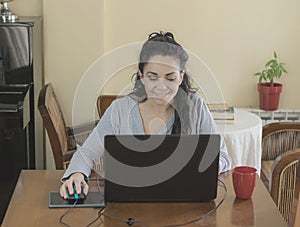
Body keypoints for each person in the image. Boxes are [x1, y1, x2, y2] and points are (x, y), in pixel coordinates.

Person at [60, 31, 231, 198]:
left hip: (183, 202)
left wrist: (195, 166)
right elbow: (87, 153)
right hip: (130, 205)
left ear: (181, 77)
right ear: (141, 75)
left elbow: (223, 157)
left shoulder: (196, 106)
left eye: (170, 78)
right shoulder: (120, 109)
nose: (161, 87)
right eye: (153, 77)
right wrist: (76, 175)